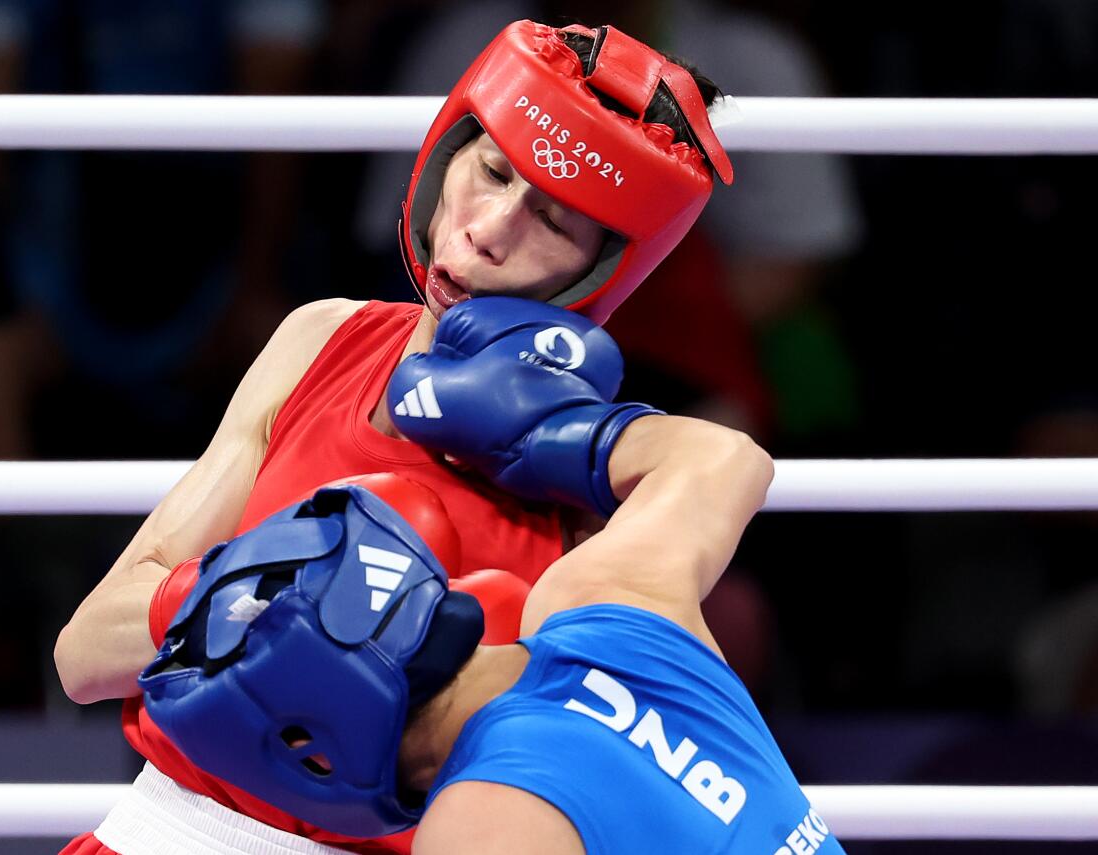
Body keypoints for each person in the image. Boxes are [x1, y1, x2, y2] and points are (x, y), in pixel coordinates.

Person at [56, 19, 734, 855]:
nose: (487, 229)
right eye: (490, 172)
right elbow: (84, 654)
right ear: (447, 151)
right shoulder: (324, 338)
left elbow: (631, 780)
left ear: (604, 268)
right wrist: (256, 597)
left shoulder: (608, 495)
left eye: (553, 223)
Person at [139, 295, 841, 854]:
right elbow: (726, 459)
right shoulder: (608, 612)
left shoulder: (485, 816)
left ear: (314, 756)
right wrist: (553, 436)